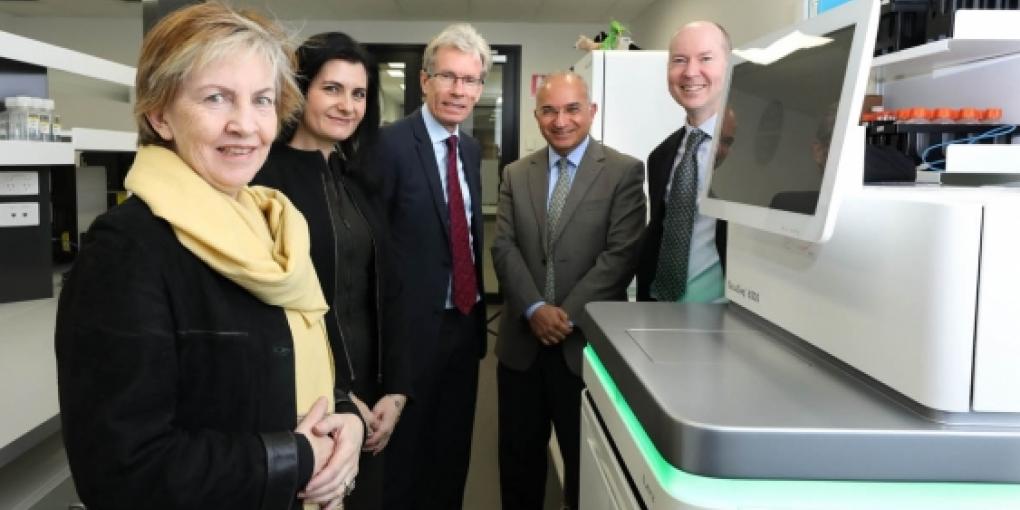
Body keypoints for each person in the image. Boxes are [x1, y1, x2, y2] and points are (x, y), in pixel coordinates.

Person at [54, 4, 363, 510]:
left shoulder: (277, 227)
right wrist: (300, 458)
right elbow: (122, 470)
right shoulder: (127, 252)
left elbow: (293, 361)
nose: (245, 124)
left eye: (262, 100)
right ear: (160, 115)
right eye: (216, 98)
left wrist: (345, 416)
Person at [253, 31, 409, 510]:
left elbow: (384, 292)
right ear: (299, 93)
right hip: (306, 396)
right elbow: (271, 307)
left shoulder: (357, 177)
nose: (348, 105)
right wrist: (340, 395)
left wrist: (395, 391)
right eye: (332, 89)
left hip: (371, 391)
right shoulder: (264, 180)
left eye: (358, 93)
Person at [491, 72, 646, 510]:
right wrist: (536, 308)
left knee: (587, 471)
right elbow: (503, 247)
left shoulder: (623, 172)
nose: (561, 120)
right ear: (537, 115)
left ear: (591, 111)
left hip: (585, 351)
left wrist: (564, 315)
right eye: (549, 110)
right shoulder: (516, 174)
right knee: (517, 466)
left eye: (572, 108)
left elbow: (620, 257)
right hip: (521, 349)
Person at [375, 23, 491, 510]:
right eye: (448, 77)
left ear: (481, 88)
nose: (458, 90)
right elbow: (373, 250)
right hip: (407, 336)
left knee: (452, 453)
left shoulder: (469, 149)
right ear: (424, 81)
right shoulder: (388, 145)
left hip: (463, 327)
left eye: (470, 80)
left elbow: (464, 233)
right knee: (403, 463)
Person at [637, 20, 732, 304]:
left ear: (729, 65)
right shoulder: (661, 156)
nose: (690, 72)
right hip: (661, 314)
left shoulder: (747, 151)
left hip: (728, 321)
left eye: (705, 58)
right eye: (679, 60)